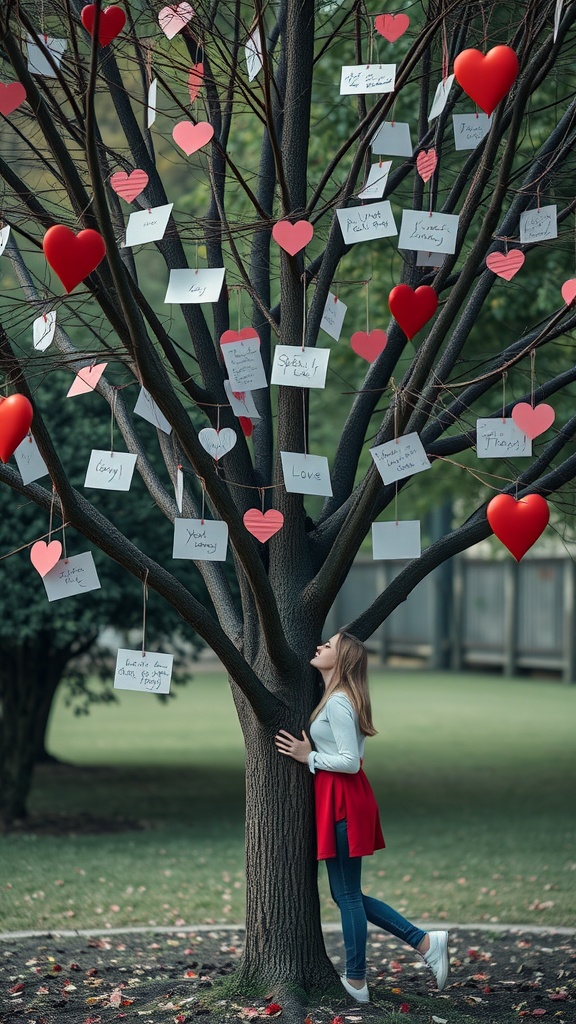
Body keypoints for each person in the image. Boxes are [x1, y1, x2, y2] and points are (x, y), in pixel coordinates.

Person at [274, 631, 449, 1003]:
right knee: (345, 893)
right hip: (340, 799)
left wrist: (310, 757)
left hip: (344, 799)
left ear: (341, 661)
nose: (318, 646)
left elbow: (351, 762)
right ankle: (423, 941)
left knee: (348, 895)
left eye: (328, 646)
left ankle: (356, 979)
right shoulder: (335, 697)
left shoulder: (338, 702)